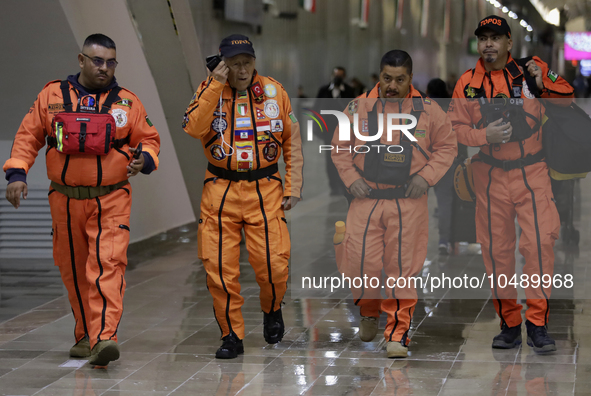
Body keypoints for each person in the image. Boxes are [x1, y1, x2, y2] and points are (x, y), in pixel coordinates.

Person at [3, 34, 161, 366]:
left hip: (111, 198)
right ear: (81, 60)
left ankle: (104, 338)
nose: (104, 68)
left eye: (110, 62)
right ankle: (86, 335)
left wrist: (143, 159)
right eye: (97, 60)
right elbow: (28, 136)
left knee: (106, 265)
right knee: (73, 270)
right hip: (63, 200)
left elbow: (149, 139)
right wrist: (17, 173)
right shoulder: (53, 96)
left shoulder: (127, 104)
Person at [448, 15, 574, 353]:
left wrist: (543, 77)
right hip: (488, 175)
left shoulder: (529, 73)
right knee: (496, 253)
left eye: (495, 37)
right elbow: (453, 129)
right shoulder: (467, 84)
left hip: (531, 173)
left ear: (508, 43)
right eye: (483, 38)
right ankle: (509, 322)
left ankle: (537, 323)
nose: (488, 43)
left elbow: (567, 95)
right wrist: (481, 135)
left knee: (537, 247)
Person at [183, 34, 303, 359]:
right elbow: (193, 128)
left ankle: (272, 307)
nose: (241, 69)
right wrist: (213, 85)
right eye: (234, 64)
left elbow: (291, 143)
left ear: (254, 62)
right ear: (223, 64)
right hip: (220, 190)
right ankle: (231, 335)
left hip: (265, 189)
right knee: (219, 268)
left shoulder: (275, 93)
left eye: (246, 62)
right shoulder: (210, 91)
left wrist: (293, 185)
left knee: (274, 266)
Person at [331, 50, 457, 358]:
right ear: (379, 75)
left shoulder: (428, 111)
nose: (392, 85)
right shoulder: (358, 108)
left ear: (411, 79)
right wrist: (351, 180)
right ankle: (369, 311)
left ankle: (397, 333)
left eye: (400, 80)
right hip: (366, 199)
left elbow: (447, 147)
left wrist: (426, 178)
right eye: (387, 78)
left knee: (402, 270)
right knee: (361, 263)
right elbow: (339, 148)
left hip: (407, 201)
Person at [315, 67, 356, 196]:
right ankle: (333, 184)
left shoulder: (349, 91)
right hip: (328, 131)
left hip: (344, 130)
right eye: (336, 75)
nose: (338, 77)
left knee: (344, 157)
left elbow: (355, 109)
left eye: (340, 75)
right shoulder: (324, 90)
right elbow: (316, 108)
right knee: (330, 158)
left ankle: (342, 182)